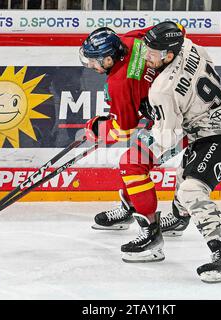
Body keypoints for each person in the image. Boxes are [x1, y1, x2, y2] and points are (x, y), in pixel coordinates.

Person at [140, 21, 221, 282]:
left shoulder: (161, 90)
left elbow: (165, 138)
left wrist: (151, 123)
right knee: (184, 177)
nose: (147, 57)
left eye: (152, 53)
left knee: (191, 189)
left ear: (167, 55)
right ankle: (179, 218)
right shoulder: (190, 47)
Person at [79, 27, 190, 262]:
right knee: (133, 157)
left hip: (180, 122)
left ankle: (152, 235)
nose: (92, 66)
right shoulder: (130, 39)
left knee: (131, 164)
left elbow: (124, 128)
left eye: (94, 61)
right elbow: (177, 30)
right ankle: (131, 208)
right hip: (178, 105)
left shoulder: (119, 83)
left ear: (109, 58)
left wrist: (98, 129)